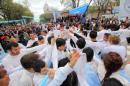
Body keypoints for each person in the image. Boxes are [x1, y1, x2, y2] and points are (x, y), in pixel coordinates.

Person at [10, 51, 80, 86]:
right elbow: (56, 82)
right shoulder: (30, 80)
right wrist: (69, 66)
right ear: (32, 69)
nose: (47, 68)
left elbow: (59, 71)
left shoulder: (39, 69)